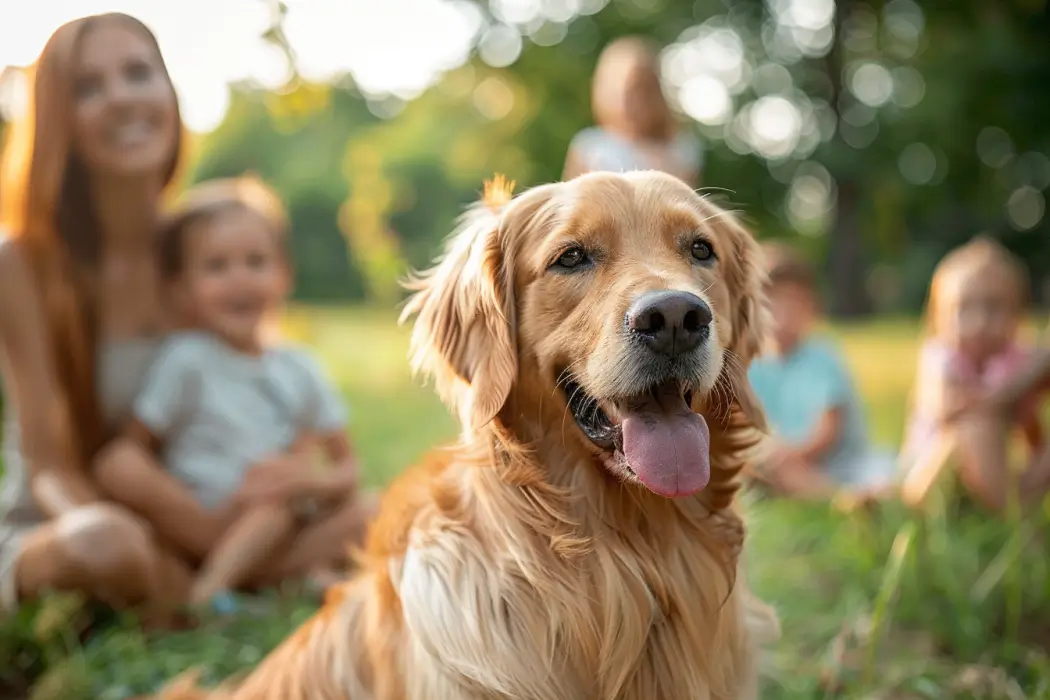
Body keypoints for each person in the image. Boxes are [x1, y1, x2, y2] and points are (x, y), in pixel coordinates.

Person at [0, 12, 193, 616]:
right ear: (59, 119)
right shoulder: (22, 264)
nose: (121, 99)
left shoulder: (201, 250)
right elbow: (48, 468)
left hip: (189, 521)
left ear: (169, 91)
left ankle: (202, 583)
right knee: (108, 545)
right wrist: (144, 545)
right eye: (88, 87)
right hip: (63, 526)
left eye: (139, 73)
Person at [101, 176, 370, 606]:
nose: (239, 280)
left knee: (369, 510)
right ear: (183, 288)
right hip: (207, 516)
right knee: (274, 504)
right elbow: (136, 449)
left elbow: (348, 470)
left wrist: (308, 479)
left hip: (280, 516)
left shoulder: (299, 367)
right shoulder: (187, 359)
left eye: (256, 261)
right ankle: (210, 594)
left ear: (284, 275)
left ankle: (260, 581)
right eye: (216, 267)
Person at [899, 237, 1049, 513]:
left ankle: (1017, 508)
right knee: (977, 427)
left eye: (994, 307)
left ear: (1018, 315)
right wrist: (1016, 387)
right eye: (963, 309)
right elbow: (946, 409)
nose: (978, 322)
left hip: (989, 481)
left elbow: (1031, 429)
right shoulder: (939, 357)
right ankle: (1017, 525)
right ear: (938, 317)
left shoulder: (1011, 360)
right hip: (929, 480)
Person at [747, 242, 895, 499]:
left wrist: (792, 454)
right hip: (782, 460)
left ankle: (843, 498)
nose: (783, 316)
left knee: (876, 479)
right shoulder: (752, 366)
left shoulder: (821, 357)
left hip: (838, 462)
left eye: (794, 304)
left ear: (812, 308)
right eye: (771, 303)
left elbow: (829, 429)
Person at [563, 36, 703, 186]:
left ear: (654, 93)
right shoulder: (590, 149)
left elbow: (689, 200)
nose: (627, 104)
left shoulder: (680, 148)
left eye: (637, 92)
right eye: (617, 93)